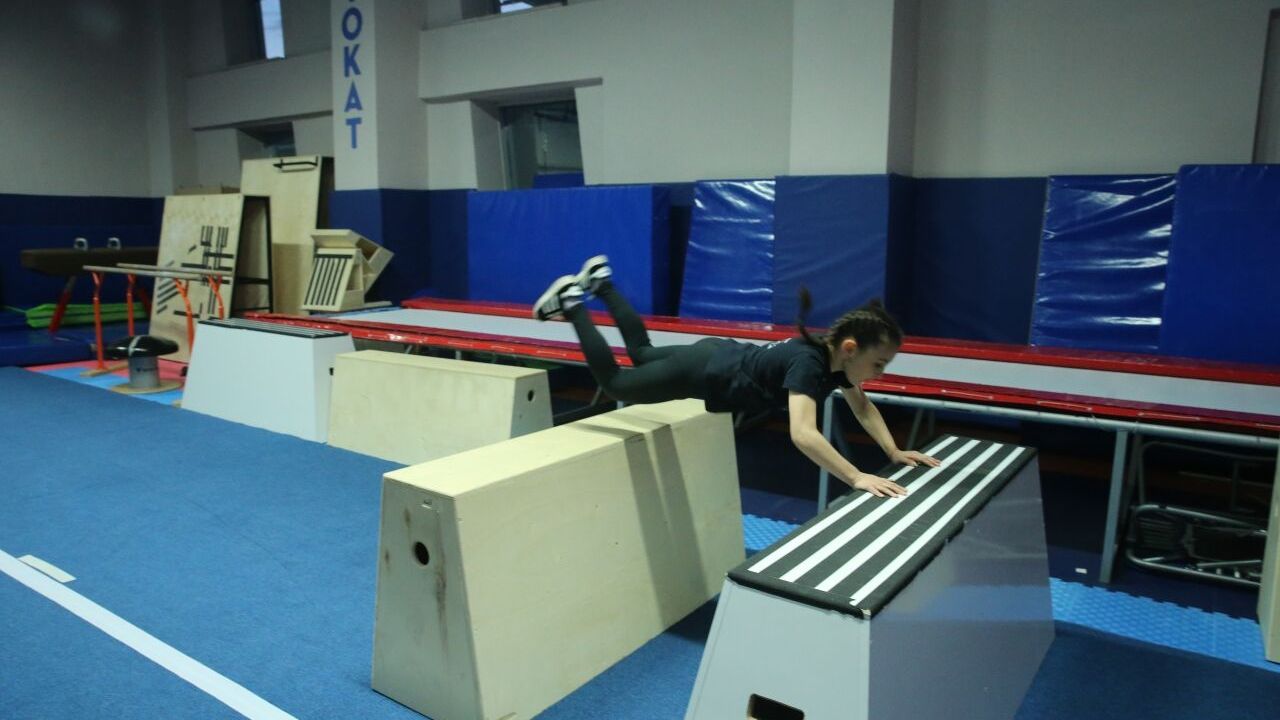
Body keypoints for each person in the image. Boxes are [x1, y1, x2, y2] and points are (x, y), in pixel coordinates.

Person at [533, 255, 940, 498]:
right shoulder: (811, 364)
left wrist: (893, 451)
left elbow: (862, 407)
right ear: (851, 348)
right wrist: (855, 476)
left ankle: (601, 283)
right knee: (616, 383)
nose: (880, 372)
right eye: (879, 363)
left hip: (717, 354)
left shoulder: (834, 359)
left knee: (642, 354)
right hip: (706, 370)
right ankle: (573, 303)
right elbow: (803, 433)